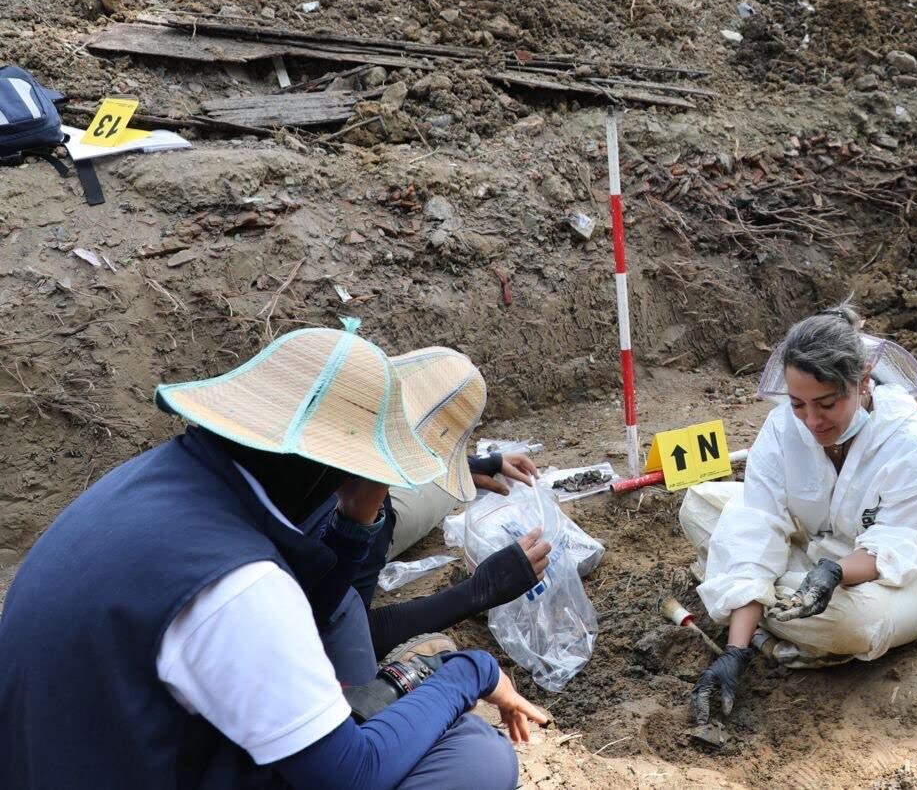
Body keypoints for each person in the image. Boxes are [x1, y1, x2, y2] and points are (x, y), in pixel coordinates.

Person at [0, 322, 546, 789]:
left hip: (86, 754)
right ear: (355, 464)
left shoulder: (168, 479)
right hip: (139, 762)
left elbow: (315, 617)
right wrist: (465, 669)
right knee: (475, 758)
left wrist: (358, 522)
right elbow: (350, 775)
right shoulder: (241, 583)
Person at [678, 304, 917, 725]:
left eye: (827, 404)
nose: (811, 421)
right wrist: (735, 653)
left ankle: (751, 595)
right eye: (798, 404)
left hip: (906, 577)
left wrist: (833, 573)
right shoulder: (783, 428)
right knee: (700, 504)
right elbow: (757, 525)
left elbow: (896, 548)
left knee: (853, 622)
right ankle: (766, 613)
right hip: (816, 553)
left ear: (862, 382)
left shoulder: (915, 444)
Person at [303, 347, 556, 668]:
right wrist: (480, 590)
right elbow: (346, 631)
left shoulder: (301, 449)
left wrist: (471, 465)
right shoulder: (361, 510)